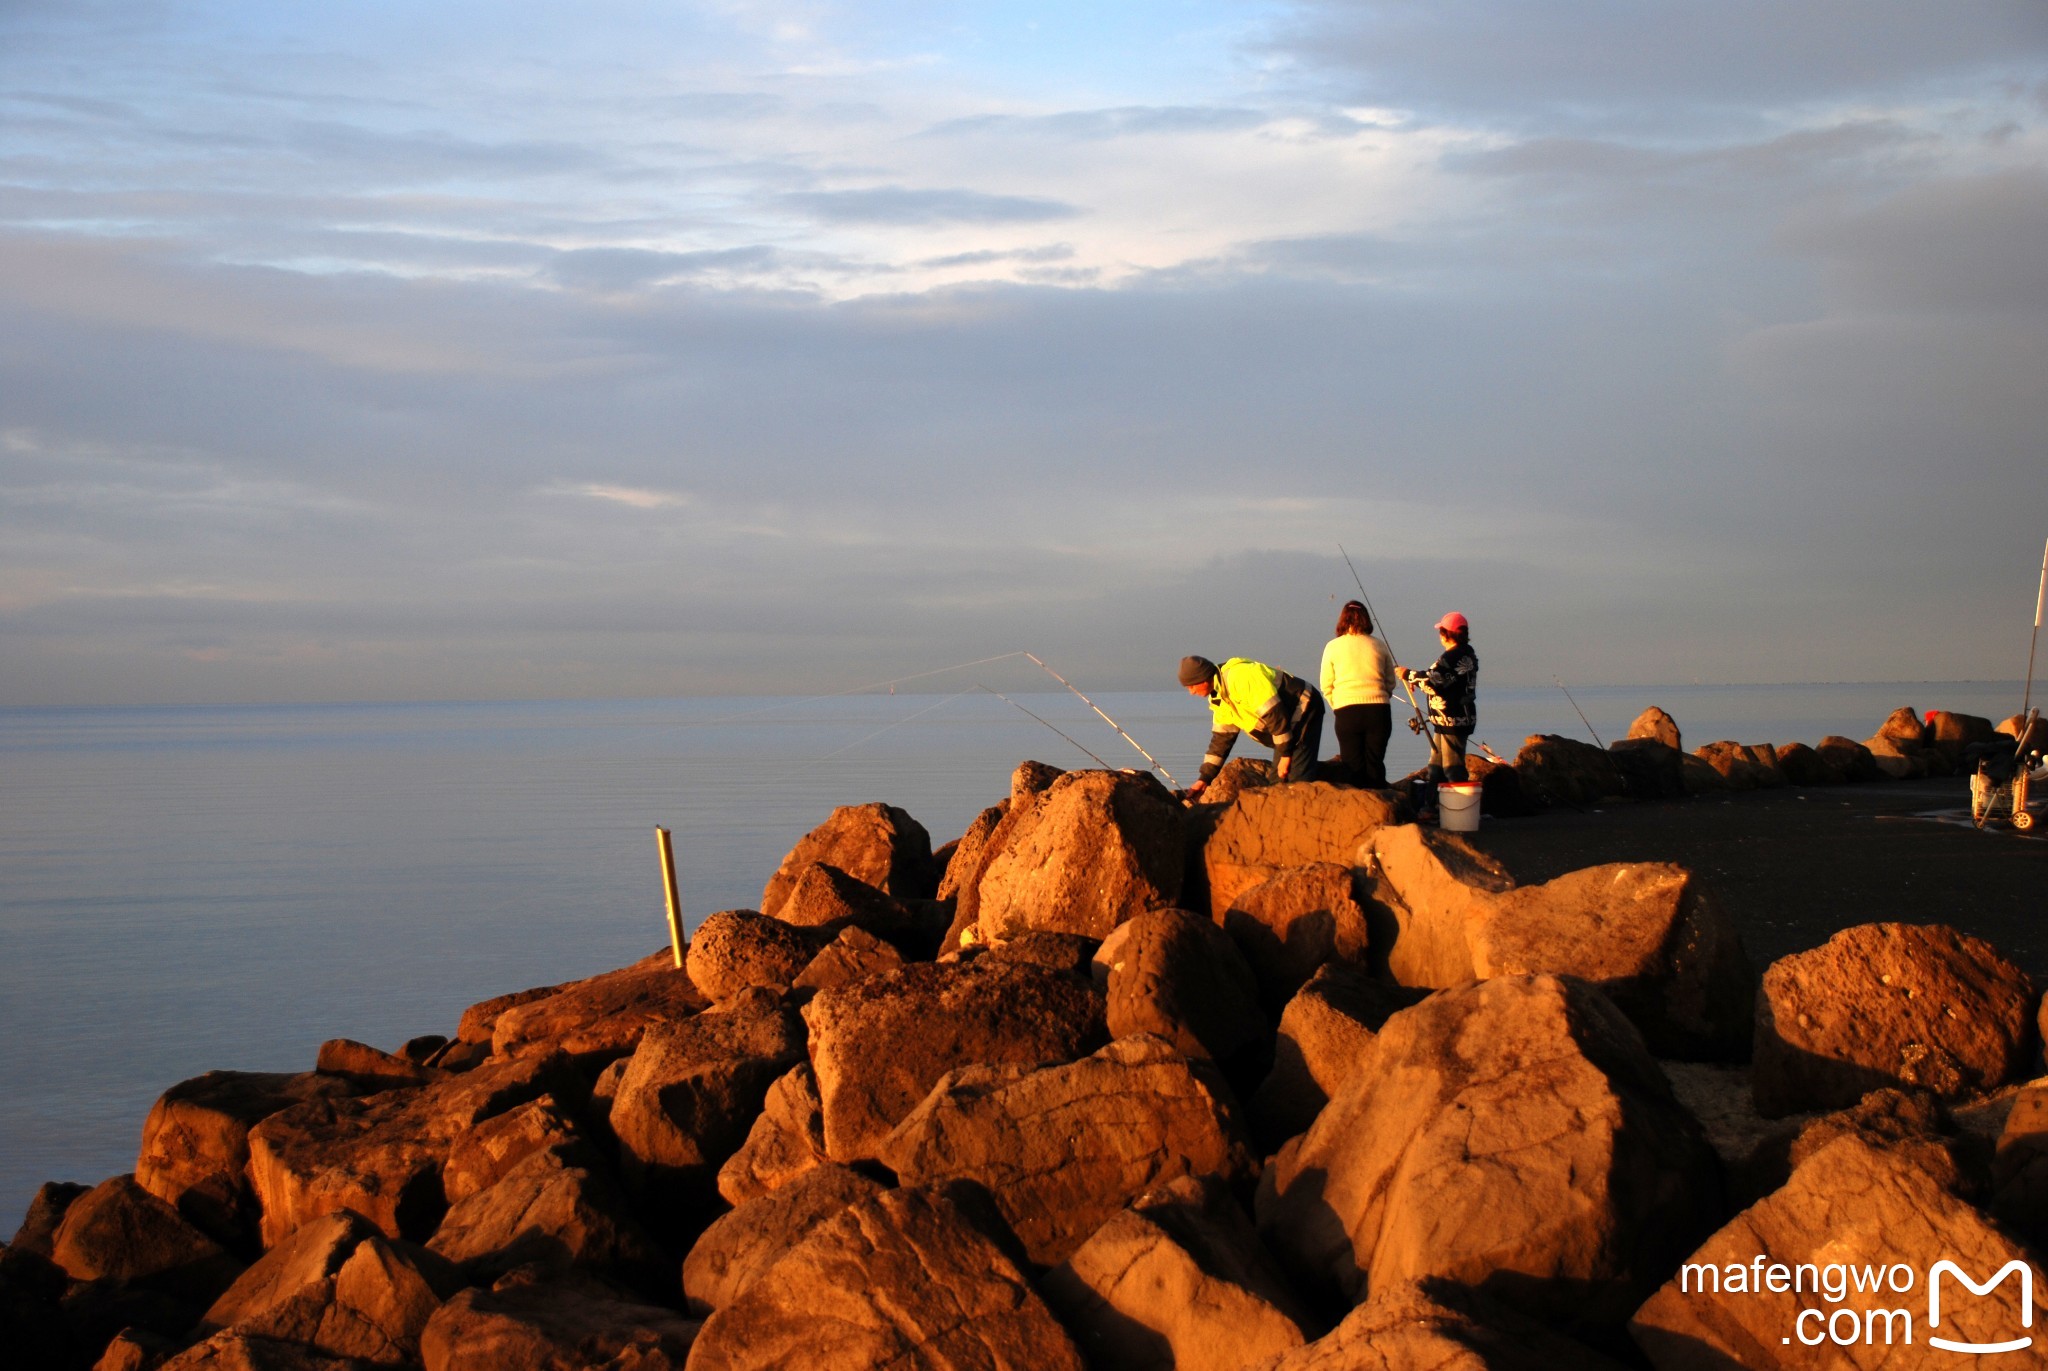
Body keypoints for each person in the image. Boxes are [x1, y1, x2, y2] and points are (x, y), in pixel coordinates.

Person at [1177, 654, 1324, 798]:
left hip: (1304, 706)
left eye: (1191, 687)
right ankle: (1322, 773)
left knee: (1296, 782)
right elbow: (1221, 741)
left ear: (1202, 679)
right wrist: (1204, 779)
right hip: (1284, 726)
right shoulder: (1219, 698)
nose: (1191, 692)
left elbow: (1275, 714)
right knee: (1277, 783)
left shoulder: (1240, 677)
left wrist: (1286, 754)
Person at [1320, 600, 1396, 788]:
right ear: (1366, 619)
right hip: (1379, 710)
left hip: (1347, 711)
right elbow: (1390, 682)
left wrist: (1338, 704)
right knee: (1375, 763)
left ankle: (1359, 810)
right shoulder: (1379, 645)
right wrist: (1381, 695)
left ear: (1342, 619)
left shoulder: (1332, 646)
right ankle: (1381, 806)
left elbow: (1326, 684)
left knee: (1352, 767)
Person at [1399, 612, 1477, 786]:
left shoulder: (1453, 657)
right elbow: (1440, 680)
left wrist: (1407, 674)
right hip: (1446, 720)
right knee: (1436, 767)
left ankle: (1459, 807)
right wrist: (1418, 681)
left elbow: (1433, 680)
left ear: (1446, 634)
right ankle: (1435, 805)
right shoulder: (1465, 654)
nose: (1439, 635)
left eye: (1441, 631)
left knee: (1452, 768)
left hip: (1452, 720)